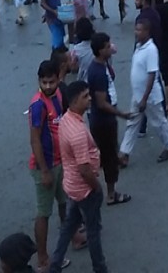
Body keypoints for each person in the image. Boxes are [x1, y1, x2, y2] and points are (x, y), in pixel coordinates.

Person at [48, 81, 109, 273]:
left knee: (69, 227)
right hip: (85, 189)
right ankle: (100, 268)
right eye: (85, 96)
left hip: (72, 185)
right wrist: (96, 187)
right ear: (74, 101)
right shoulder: (78, 133)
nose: (89, 98)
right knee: (93, 231)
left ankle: (55, 265)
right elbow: (84, 169)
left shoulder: (65, 120)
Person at [27, 60, 75, 272]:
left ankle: (71, 237)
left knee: (65, 203)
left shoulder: (58, 95)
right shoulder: (37, 105)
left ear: (58, 79)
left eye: (51, 81)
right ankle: (43, 259)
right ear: (39, 81)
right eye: (44, 82)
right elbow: (35, 139)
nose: (48, 86)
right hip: (45, 167)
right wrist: (44, 170)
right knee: (44, 213)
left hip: (60, 161)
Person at [118, 20, 168, 164]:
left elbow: (152, 75)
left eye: (140, 30)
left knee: (159, 122)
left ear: (147, 32)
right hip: (138, 95)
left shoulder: (151, 50)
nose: (136, 32)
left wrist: (144, 98)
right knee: (132, 123)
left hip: (148, 96)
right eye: (136, 29)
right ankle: (124, 153)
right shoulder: (139, 47)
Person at [85, 32, 132, 206]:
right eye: (107, 46)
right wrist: (121, 114)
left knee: (105, 155)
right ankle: (111, 194)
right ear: (99, 50)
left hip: (103, 120)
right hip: (104, 121)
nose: (110, 47)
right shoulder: (97, 72)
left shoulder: (101, 65)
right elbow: (102, 103)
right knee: (108, 156)